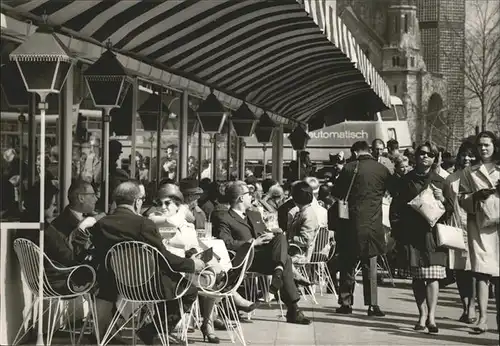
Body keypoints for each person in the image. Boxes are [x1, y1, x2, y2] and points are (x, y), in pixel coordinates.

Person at [90, 181, 204, 345]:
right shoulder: (143, 224)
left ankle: (148, 333)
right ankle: (153, 331)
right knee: (190, 290)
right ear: (137, 201)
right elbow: (163, 258)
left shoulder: (102, 224)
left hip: (118, 285)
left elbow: (102, 257)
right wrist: (191, 264)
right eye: (142, 199)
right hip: (148, 286)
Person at [212, 181, 311, 324]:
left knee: (280, 236)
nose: (252, 197)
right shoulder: (224, 217)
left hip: (264, 256)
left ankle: (278, 271)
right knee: (286, 260)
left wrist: (269, 235)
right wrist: (254, 242)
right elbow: (226, 242)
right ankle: (293, 309)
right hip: (246, 258)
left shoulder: (254, 214)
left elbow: (265, 232)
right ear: (240, 198)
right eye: (249, 194)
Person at [390, 142, 452, 333]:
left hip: (433, 235)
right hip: (413, 235)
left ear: (435, 159)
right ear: (416, 157)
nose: (425, 157)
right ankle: (422, 314)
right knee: (418, 278)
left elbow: (450, 211)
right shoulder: (406, 180)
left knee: (433, 277)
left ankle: (432, 316)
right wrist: (398, 230)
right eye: (422, 154)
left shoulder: (441, 181)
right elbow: (396, 206)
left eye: (430, 155)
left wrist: (442, 199)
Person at [332, 140, 392, 316]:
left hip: (349, 224)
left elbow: (337, 193)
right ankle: (372, 305)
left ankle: (345, 303)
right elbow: (390, 190)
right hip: (373, 224)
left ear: (355, 152)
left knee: (347, 264)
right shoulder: (381, 169)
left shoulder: (349, 168)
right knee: (370, 265)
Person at [459, 131, 500, 334]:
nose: (483, 149)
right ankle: (482, 319)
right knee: (482, 273)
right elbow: (461, 198)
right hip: (480, 226)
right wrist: (475, 196)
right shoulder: (470, 172)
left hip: (499, 228)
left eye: (487, 145)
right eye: (480, 145)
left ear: (495, 146)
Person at [444, 141, 479, 324]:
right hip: (456, 227)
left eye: (470, 155)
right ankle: (466, 305)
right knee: (460, 270)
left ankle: (472, 306)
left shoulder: (480, 177)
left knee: (473, 269)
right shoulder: (451, 179)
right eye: (464, 154)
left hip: (476, 228)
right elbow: (447, 204)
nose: (466, 158)